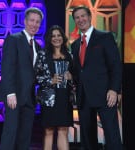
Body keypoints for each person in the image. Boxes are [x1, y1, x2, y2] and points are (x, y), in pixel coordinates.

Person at [71, 6, 122, 150]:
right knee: (88, 138)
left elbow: (115, 66)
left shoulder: (105, 37)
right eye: (77, 17)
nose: (81, 20)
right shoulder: (74, 45)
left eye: (83, 16)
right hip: (84, 97)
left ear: (89, 17)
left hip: (105, 95)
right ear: (74, 20)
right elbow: (79, 71)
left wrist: (114, 89)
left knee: (112, 136)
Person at [0, 7, 43, 150]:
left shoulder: (37, 46)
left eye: (37, 22)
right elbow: (7, 67)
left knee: (25, 135)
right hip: (14, 96)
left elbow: (34, 73)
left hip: (29, 97)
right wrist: (10, 93)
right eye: (32, 21)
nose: (34, 24)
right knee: (11, 133)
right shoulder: (14, 39)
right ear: (25, 21)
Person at [35, 25, 73, 150]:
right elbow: (35, 77)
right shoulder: (43, 55)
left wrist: (71, 77)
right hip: (49, 99)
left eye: (59, 35)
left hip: (65, 98)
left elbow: (77, 77)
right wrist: (50, 80)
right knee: (49, 131)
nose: (56, 38)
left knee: (63, 130)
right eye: (53, 36)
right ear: (49, 39)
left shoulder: (69, 55)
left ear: (63, 37)